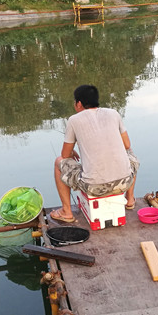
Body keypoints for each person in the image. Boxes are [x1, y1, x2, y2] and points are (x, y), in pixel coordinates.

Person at [51, 85, 139, 223]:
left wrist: (71, 150)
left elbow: (64, 155)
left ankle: (66, 212)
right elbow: (127, 145)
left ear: (78, 103)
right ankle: (130, 199)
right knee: (130, 154)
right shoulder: (114, 113)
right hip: (125, 182)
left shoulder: (74, 120)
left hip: (93, 187)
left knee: (58, 162)